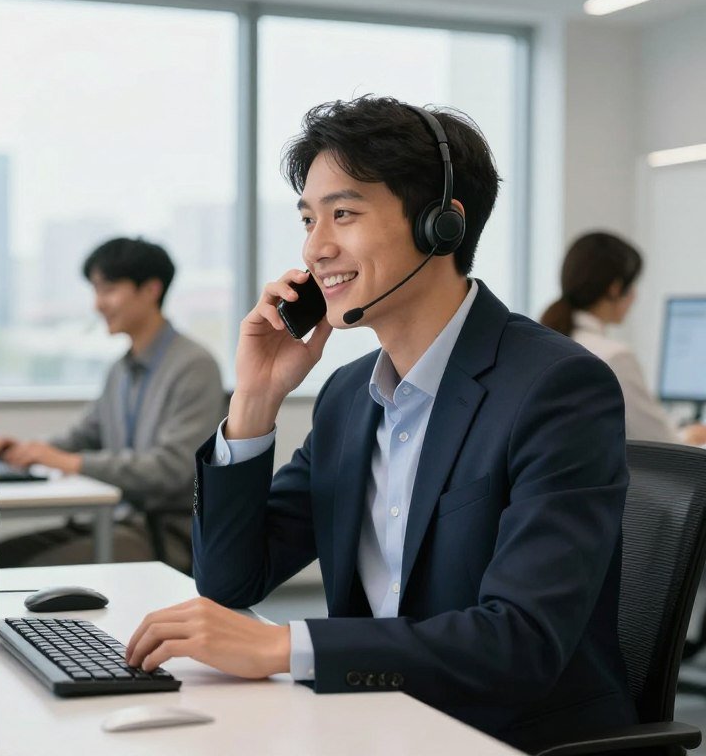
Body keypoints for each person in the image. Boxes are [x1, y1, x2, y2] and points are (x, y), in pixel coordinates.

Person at [125, 97, 637, 753]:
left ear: (440, 227)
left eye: (344, 213)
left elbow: (521, 642)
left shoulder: (556, 388)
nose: (316, 248)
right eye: (309, 219)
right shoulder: (348, 396)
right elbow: (229, 581)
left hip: (505, 738)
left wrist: (286, 645)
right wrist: (253, 399)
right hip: (370, 727)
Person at [0, 237, 224, 571]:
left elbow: (172, 469)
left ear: (151, 290)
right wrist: (25, 452)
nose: (98, 304)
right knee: (1, 555)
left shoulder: (194, 366)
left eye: (109, 289)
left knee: (22, 568)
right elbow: (81, 438)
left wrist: (71, 462)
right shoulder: (122, 369)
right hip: (115, 522)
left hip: (164, 533)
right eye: (96, 291)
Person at [540, 231, 706, 446]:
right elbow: (663, 443)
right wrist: (688, 436)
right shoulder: (614, 356)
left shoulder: (545, 339)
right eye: (633, 285)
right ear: (615, 288)